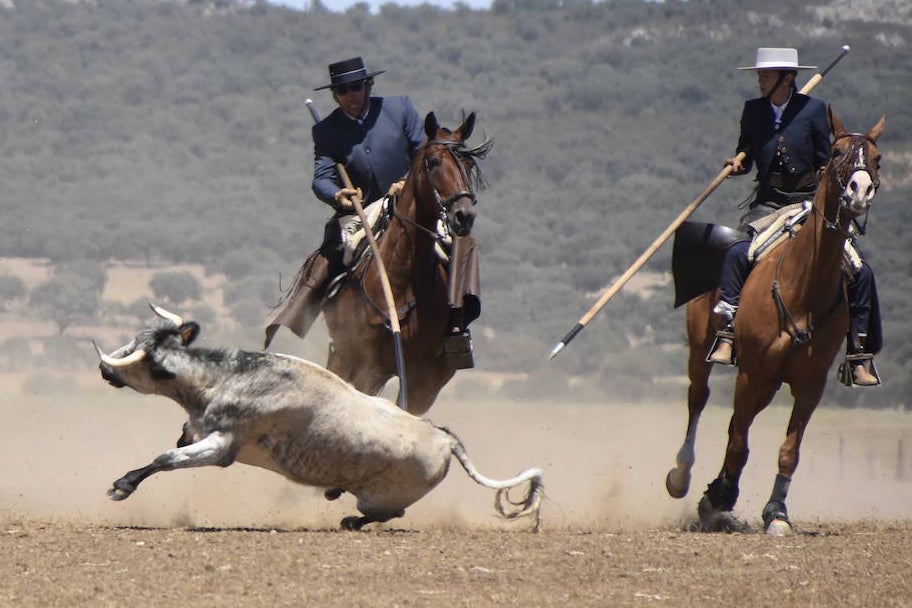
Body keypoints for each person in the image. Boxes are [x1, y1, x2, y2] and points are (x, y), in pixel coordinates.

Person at [707, 47, 881, 387]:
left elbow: (824, 158)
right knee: (738, 252)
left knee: (860, 270)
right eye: (760, 75)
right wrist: (737, 165)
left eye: (766, 76)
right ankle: (727, 330)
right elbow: (748, 150)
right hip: (768, 203)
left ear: (787, 78)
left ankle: (859, 352)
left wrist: (822, 182)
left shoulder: (815, 111)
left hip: (807, 202)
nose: (760, 80)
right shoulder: (753, 111)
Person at [312, 56, 425, 274]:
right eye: (343, 90)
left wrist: (406, 182)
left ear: (368, 85)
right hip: (359, 212)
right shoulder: (325, 131)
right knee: (326, 262)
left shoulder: (401, 108)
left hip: (410, 202)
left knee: (457, 240)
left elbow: (423, 153)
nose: (351, 95)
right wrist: (338, 196)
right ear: (335, 96)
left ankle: (464, 301)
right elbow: (321, 179)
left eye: (356, 87)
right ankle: (303, 304)